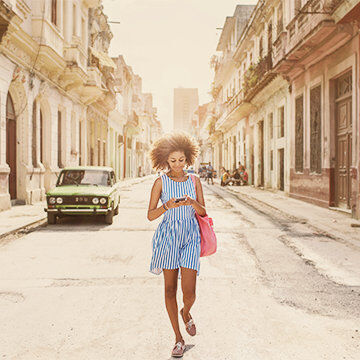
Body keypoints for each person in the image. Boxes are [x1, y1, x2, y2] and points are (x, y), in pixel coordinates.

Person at [147, 132, 206, 358]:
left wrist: (192, 202)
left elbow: (203, 211)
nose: (178, 165)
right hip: (168, 236)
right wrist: (167, 206)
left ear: (188, 158)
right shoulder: (159, 182)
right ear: (165, 160)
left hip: (191, 235)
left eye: (181, 160)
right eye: (173, 161)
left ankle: (186, 311)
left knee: (189, 292)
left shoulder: (194, 181)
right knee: (170, 289)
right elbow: (150, 215)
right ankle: (178, 339)